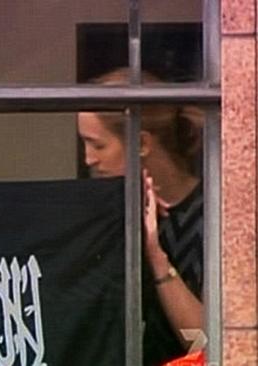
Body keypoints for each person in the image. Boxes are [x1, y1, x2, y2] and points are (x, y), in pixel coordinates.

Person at [77, 69, 204, 365]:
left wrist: (156, 257)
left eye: (98, 145)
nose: (88, 159)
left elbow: (207, 342)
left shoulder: (213, 217)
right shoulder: (107, 213)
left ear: (143, 144)